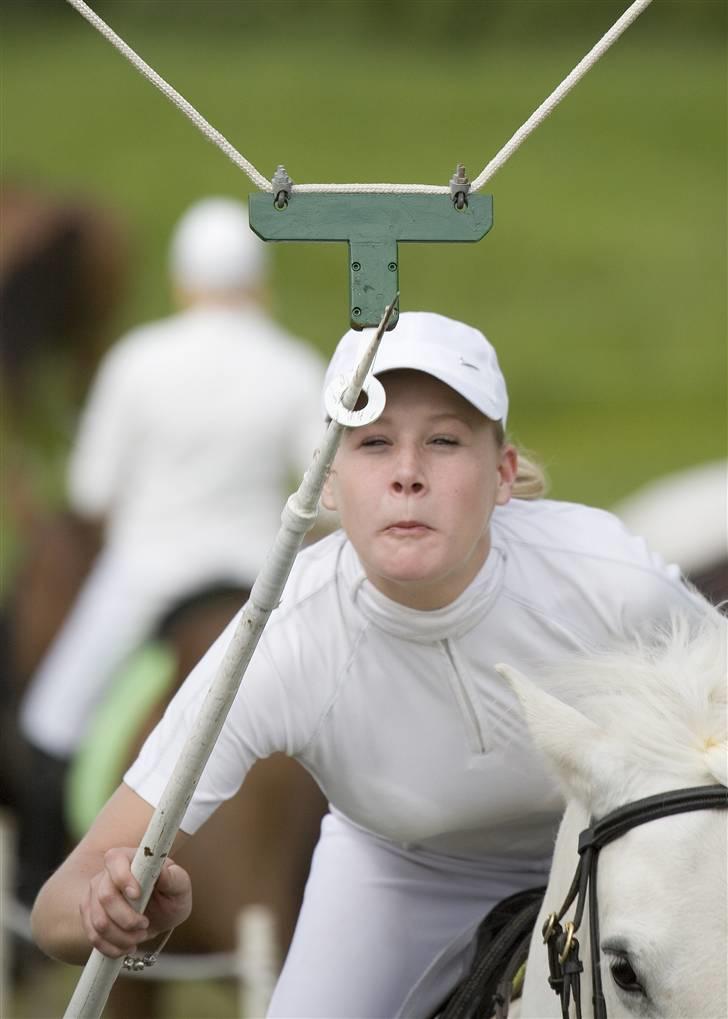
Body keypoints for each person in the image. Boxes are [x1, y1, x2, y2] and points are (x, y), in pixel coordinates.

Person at [30, 311, 701, 1017]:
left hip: (612, 850)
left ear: (502, 473)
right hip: (400, 873)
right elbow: (56, 906)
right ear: (326, 480)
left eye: (443, 441)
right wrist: (106, 907)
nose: (408, 474)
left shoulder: (606, 574)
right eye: (374, 443)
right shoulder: (281, 633)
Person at [16, 196, 328, 904]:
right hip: (258, 580)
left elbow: (93, 490)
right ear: (259, 279)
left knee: (51, 718)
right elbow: (321, 483)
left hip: (146, 574)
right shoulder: (291, 365)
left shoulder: (138, 359)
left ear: (182, 280)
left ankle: (37, 885)